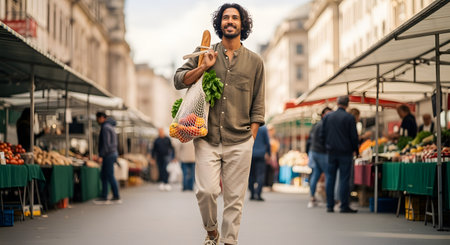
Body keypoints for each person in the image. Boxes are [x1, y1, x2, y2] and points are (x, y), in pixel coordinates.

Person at [174, 3, 265, 245]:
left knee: (235, 199)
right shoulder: (205, 51)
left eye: (235, 18)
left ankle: (229, 241)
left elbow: (258, 105)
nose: (230, 21)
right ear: (219, 24)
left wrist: (251, 139)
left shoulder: (255, 62)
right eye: (226, 18)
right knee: (206, 192)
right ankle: (212, 231)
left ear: (242, 24)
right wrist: (204, 66)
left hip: (241, 141)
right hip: (207, 137)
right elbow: (178, 80)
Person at [320, 96, 359, 213]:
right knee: (344, 179)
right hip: (345, 152)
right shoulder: (349, 118)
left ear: (337, 103)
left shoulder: (327, 117)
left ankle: (329, 205)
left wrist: (326, 147)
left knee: (330, 178)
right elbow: (354, 137)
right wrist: (356, 150)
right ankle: (343, 205)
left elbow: (322, 135)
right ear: (347, 105)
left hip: (331, 152)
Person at [306, 107, 332, 208]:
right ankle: (330, 201)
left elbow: (310, 140)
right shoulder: (324, 125)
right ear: (323, 115)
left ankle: (312, 198)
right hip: (321, 152)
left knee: (315, 174)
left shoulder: (316, 125)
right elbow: (324, 140)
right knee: (328, 175)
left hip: (314, 151)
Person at [95, 112, 121, 204]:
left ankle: (114, 195)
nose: (96, 120)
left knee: (108, 175)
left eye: (97, 118)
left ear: (102, 118)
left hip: (108, 154)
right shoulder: (110, 126)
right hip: (112, 153)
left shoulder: (105, 127)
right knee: (105, 175)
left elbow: (106, 143)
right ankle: (106, 195)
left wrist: (101, 155)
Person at [248, 125, 270, 201]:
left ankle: (252, 193)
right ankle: (258, 194)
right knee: (260, 175)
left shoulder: (249, 127)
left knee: (251, 175)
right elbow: (267, 141)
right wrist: (268, 153)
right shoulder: (263, 128)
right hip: (261, 154)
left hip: (250, 154)